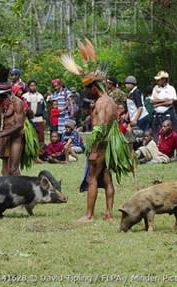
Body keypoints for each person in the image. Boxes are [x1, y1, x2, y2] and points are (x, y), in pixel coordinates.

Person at [61, 41, 133, 223]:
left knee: (92, 178)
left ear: (94, 87)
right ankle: (108, 214)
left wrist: (94, 150)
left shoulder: (101, 104)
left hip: (101, 146)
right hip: (111, 145)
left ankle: (89, 215)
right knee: (107, 178)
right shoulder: (109, 101)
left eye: (88, 89)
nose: (87, 93)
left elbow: (100, 128)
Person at [0, 89, 25, 175]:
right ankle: (6, 187)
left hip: (16, 136)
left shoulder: (17, 102)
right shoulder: (0, 101)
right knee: (5, 170)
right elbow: (2, 116)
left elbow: (19, 125)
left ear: (6, 95)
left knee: (13, 169)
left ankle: (19, 188)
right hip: (4, 135)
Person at [150, 71, 177, 142]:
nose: (158, 81)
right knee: (156, 133)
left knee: (169, 133)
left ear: (164, 79)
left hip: (167, 113)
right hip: (157, 114)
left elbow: (171, 102)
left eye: (160, 79)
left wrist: (158, 103)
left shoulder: (171, 88)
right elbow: (152, 101)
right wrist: (164, 100)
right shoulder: (155, 88)